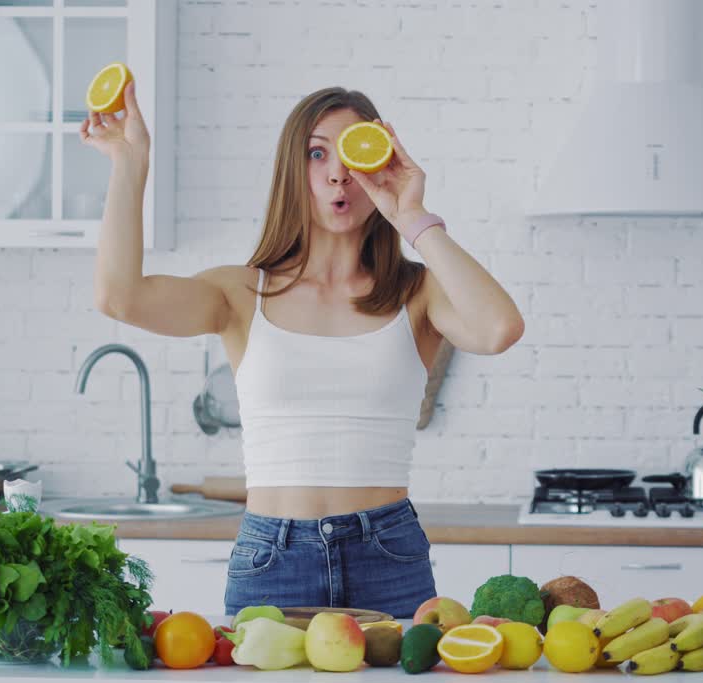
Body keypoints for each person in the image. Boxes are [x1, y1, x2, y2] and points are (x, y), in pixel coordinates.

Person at [81, 83, 524, 619]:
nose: (338, 173)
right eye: (317, 153)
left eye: (352, 153)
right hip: (274, 557)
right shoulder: (240, 292)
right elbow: (119, 297)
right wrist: (130, 163)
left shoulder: (419, 292)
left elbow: (499, 328)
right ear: (294, 171)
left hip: (388, 553)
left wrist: (412, 218)